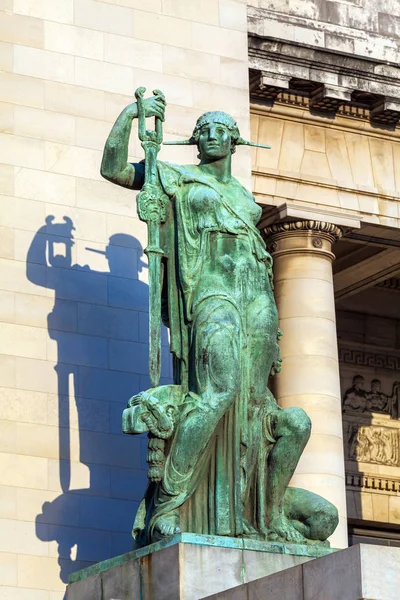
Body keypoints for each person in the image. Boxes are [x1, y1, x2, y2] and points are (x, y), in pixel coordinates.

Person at [101, 94, 338, 547]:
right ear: (194, 142)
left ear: (234, 142)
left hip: (256, 298)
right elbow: (114, 168)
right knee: (218, 389)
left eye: (220, 130)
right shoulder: (177, 176)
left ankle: (267, 520)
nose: (211, 135)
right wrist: (132, 117)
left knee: (272, 410)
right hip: (211, 291)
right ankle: (169, 504)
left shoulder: (246, 199)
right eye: (204, 129)